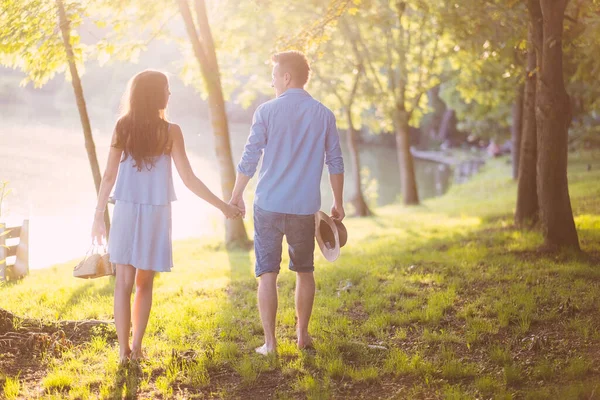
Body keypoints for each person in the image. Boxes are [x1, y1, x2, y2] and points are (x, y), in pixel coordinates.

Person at [91, 70, 241, 363]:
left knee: (122, 283)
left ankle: (124, 352)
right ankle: (136, 348)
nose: (170, 94)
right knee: (144, 283)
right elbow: (189, 178)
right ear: (156, 94)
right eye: (167, 89)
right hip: (156, 212)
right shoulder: (171, 131)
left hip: (125, 209)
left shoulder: (123, 126)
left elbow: (109, 176)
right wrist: (223, 206)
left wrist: (98, 215)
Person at [229, 51, 345, 355]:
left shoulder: (266, 111)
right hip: (304, 208)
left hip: (267, 204)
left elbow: (250, 157)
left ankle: (270, 344)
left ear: (286, 77)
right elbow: (335, 161)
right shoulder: (324, 114)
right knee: (304, 271)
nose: (271, 82)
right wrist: (339, 202)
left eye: (273, 76)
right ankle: (302, 336)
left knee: (267, 273)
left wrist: (236, 194)